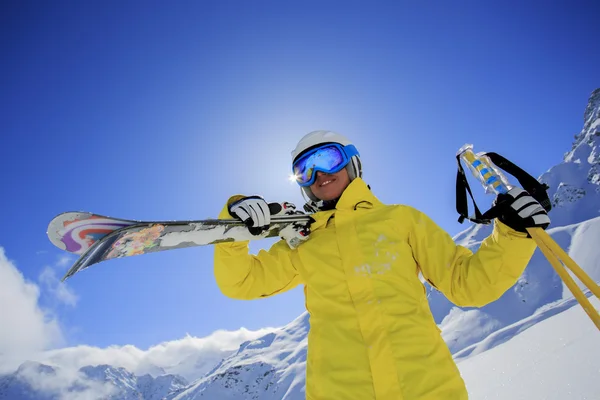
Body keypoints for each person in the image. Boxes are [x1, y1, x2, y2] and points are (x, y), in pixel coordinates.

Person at [213, 130, 550, 400]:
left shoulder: (401, 220)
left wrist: (512, 235)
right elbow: (243, 281)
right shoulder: (304, 240)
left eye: (327, 159)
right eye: (304, 170)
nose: (318, 174)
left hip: (429, 391)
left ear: (351, 162)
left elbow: (468, 284)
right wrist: (234, 227)